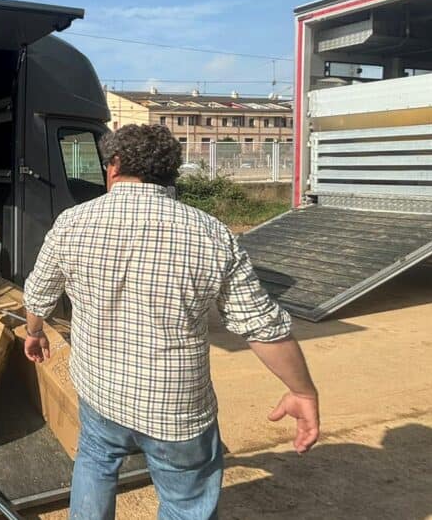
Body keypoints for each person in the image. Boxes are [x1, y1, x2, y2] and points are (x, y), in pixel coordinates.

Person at [22, 124, 319, 519]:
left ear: (113, 167)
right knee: (185, 503)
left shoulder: (72, 223)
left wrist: (34, 332)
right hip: (175, 410)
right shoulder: (210, 234)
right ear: (171, 173)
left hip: (99, 391)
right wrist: (302, 391)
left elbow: (38, 292)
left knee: (94, 461)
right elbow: (262, 327)